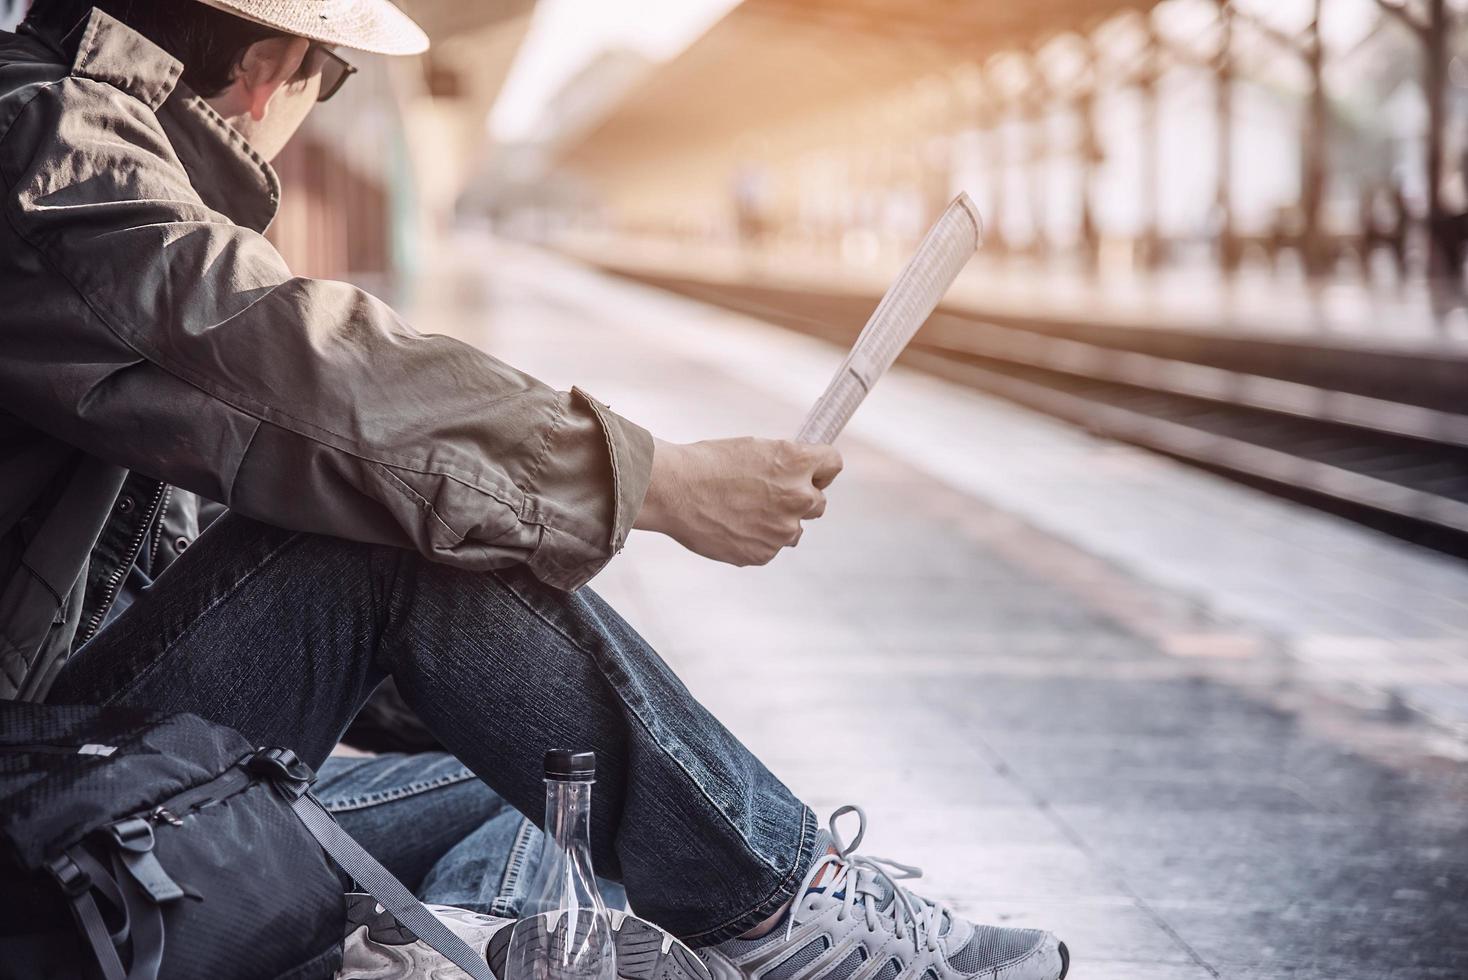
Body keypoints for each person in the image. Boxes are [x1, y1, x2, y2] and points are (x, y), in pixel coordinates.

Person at [0, 3, 1070, 980]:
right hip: (34, 806)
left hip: (78, 763)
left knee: (561, 787)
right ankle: (773, 913)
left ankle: (505, 949)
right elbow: (310, 365)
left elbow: (206, 591)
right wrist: (655, 477)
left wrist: (544, 665)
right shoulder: (47, 140)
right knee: (392, 536)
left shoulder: (69, 139)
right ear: (272, 66)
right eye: (336, 77)